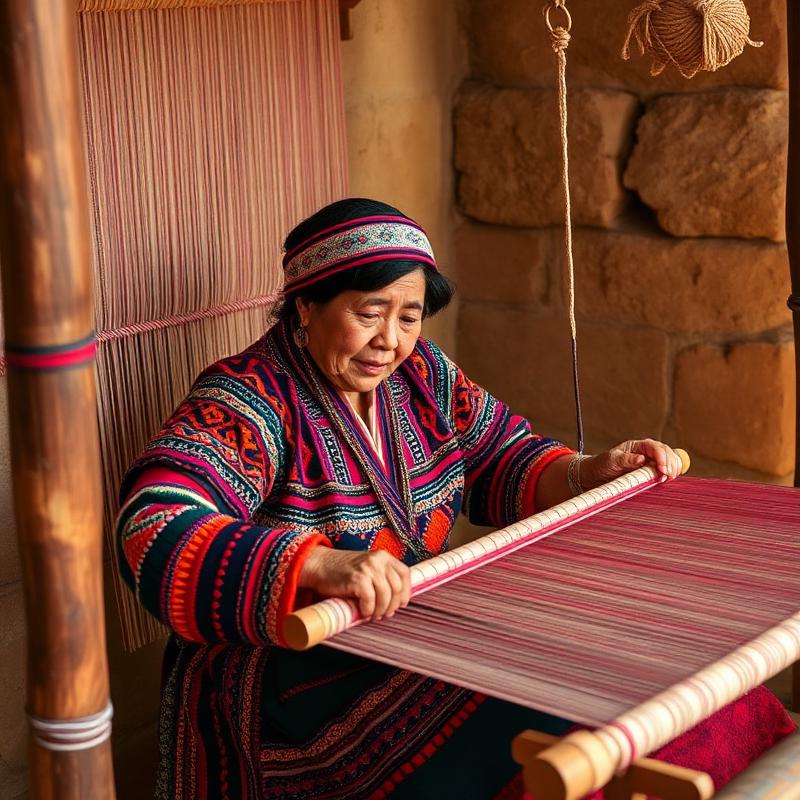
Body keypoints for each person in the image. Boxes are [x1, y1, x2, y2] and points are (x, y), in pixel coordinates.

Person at [117, 198, 793, 800]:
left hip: (409, 633)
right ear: (306, 306)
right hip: (289, 676)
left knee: (648, 675)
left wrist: (591, 470)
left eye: (408, 316)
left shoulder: (422, 376)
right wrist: (320, 565)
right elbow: (153, 524)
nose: (391, 339)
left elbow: (503, 459)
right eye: (369, 312)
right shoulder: (249, 400)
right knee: (550, 718)